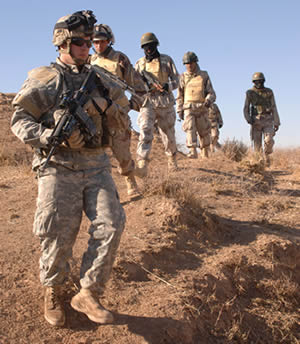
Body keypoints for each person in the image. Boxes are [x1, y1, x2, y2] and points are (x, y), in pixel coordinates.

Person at [11, 10, 126, 327]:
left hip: (96, 164)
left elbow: (124, 109)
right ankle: (53, 290)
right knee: (57, 234)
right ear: (62, 43)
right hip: (58, 166)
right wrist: (46, 136)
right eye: (78, 42)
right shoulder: (45, 79)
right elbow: (19, 120)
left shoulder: (101, 78)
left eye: (89, 42)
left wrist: (110, 107)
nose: (86, 47)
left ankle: (87, 292)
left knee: (113, 222)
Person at [91, 24, 145, 196]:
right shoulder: (89, 61)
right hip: (96, 113)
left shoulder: (120, 59)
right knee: (96, 153)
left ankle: (130, 182)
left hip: (117, 113)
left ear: (109, 41)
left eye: (102, 41)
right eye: (95, 42)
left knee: (122, 152)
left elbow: (139, 86)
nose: (98, 46)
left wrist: (130, 106)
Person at [134, 32, 179, 177]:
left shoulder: (166, 60)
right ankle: (142, 163)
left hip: (165, 102)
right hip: (147, 102)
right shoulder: (139, 64)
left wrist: (167, 86)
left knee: (168, 134)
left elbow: (177, 80)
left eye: (151, 46)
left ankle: (172, 159)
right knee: (145, 130)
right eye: (146, 47)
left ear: (156, 45)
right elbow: (134, 83)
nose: (148, 49)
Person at [176, 52, 216, 159]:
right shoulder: (183, 77)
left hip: (202, 107)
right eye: (186, 64)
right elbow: (179, 95)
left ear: (195, 62)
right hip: (188, 107)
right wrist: (179, 109)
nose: (188, 65)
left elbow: (211, 92)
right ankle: (192, 151)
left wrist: (208, 100)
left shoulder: (204, 75)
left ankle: (205, 153)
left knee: (204, 131)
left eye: (190, 63)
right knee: (190, 128)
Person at [243, 72, 280, 166]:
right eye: (256, 81)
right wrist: (248, 119)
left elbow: (274, 106)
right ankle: (260, 164)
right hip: (256, 120)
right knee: (257, 145)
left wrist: (276, 122)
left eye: (260, 81)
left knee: (269, 140)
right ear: (253, 82)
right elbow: (246, 107)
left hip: (268, 119)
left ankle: (267, 156)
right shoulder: (250, 93)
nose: (259, 83)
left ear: (263, 81)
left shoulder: (269, 92)